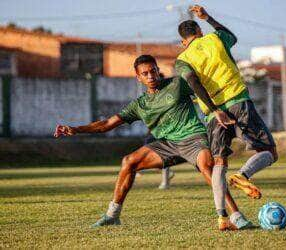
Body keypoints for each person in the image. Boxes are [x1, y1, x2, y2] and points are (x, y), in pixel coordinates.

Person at [54, 55, 251, 230]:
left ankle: (236, 216)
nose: (150, 76)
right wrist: (76, 129)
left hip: (193, 138)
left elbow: (204, 89)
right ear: (138, 77)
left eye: (153, 71)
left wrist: (222, 109)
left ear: (159, 70)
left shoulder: (177, 84)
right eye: (145, 73)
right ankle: (112, 216)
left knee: (207, 167)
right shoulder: (139, 105)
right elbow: (107, 124)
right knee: (129, 161)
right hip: (166, 144)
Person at [175, 5, 277, 200]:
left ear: (183, 42)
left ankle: (223, 216)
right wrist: (207, 17)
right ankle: (243, 175)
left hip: (214, 115)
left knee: (219, 162)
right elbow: (231, 35)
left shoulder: (182, 59)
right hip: (238, 100)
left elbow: (194, 84)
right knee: (269, 151)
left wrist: (214, 110)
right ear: (200, 32)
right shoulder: (214, 38)